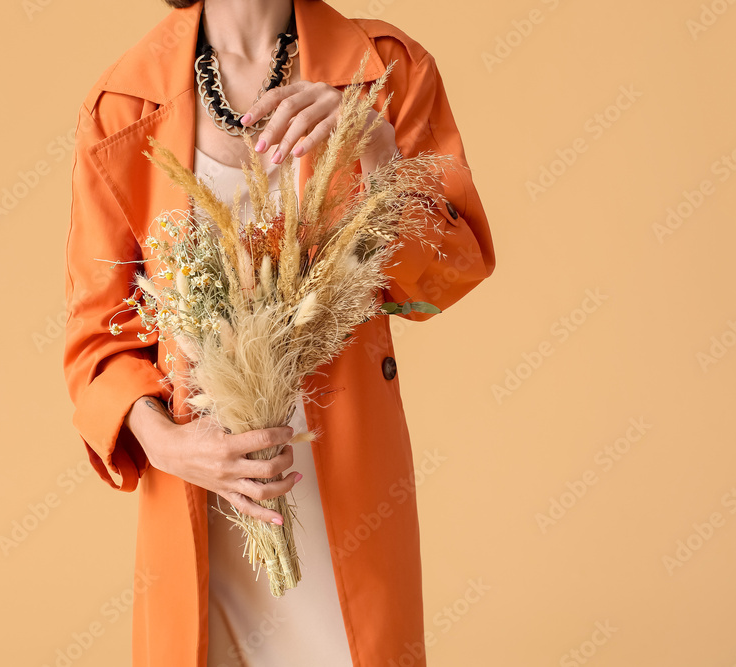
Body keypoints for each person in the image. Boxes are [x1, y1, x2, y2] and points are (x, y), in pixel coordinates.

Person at [62, 1, 496, 665]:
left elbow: (448, 272)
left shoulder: (388, 70)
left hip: (345, 498)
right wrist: (172, 445)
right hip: (203, 511)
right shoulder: (123, 102)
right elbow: (98, 339)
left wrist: (379, 156)